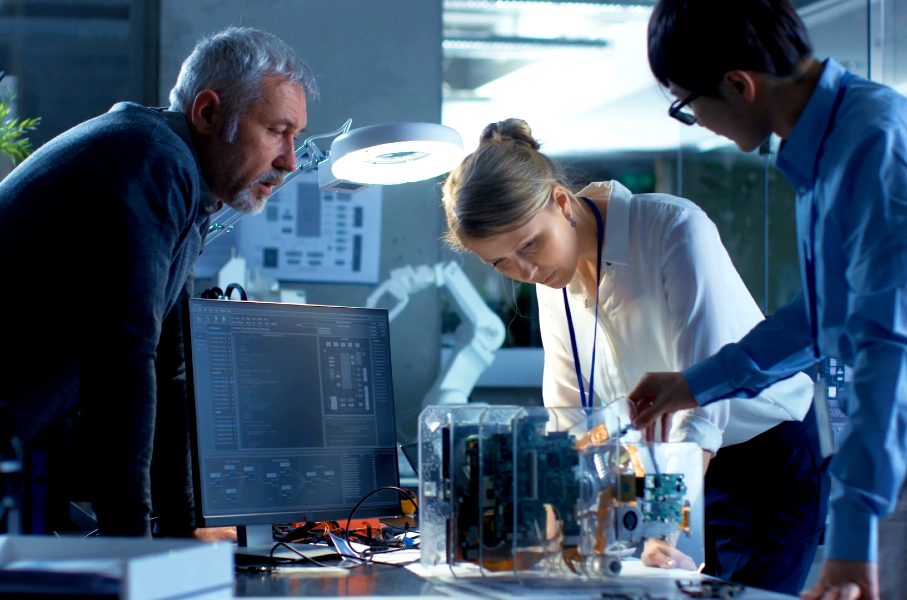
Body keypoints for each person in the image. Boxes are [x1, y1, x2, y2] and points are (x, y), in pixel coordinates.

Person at [441, 117, 828, 594]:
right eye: (501, 263)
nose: (526, 270)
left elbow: (704, 400)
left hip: (762, 458)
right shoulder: (553, 281)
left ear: (561, 202)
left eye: (529, 245)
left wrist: (658, 522)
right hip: (660, 465)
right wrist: (559, 515)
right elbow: (568, 410)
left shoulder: (671, 228)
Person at [628, 1, 907, 599]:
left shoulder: (871, 142)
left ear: (738, 84)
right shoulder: (827, 145)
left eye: (685, 105)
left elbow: (887, 348)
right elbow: (819, 316)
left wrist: (854, 539)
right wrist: (695, 383)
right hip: (881, 453)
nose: (695, 121)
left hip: (892, 452)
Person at [0, 26, 314, 538]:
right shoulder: (149, 159)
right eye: (277, 131)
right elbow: (122, 354)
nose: (290, 160)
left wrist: (180, 526)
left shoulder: (181, 183)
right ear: (209, 113)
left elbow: (167, 363)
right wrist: (131, 541)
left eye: (295, 136)